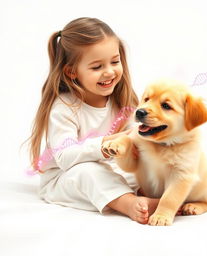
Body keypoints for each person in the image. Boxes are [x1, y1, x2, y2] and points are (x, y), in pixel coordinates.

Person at [28, 17, 159, 224]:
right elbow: (64, 156)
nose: (109, 71)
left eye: (115, 62)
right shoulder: (64, 108)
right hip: (64, 179)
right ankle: (129, 203)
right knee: (89, 172)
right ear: (72, 71)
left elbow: (132, 141)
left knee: (147, 166)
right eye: (97, 67)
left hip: (109, 171)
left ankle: (156, 196)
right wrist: (106, 145)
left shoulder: (120, 101)